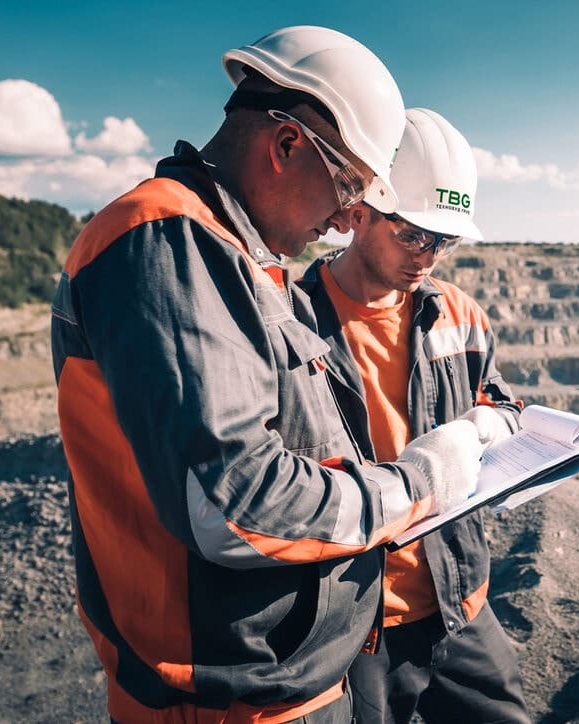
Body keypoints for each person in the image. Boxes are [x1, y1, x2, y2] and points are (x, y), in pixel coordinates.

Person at [50, 27, 484, 723]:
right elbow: (236, 505)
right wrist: (415, 485)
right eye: (347, 184)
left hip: (277, 683)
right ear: (285, 147)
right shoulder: (167, 239)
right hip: (220, 700)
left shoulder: (239, 257)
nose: (347, 219)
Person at [298, 108, 531, 723]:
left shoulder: (456, 313)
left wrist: (493, 426)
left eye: (443, 241)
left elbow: (498, 399)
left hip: (460, 599)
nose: (428, 256)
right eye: (412, 234)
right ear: (355, 214)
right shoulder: (292, 325)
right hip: (355, 620)